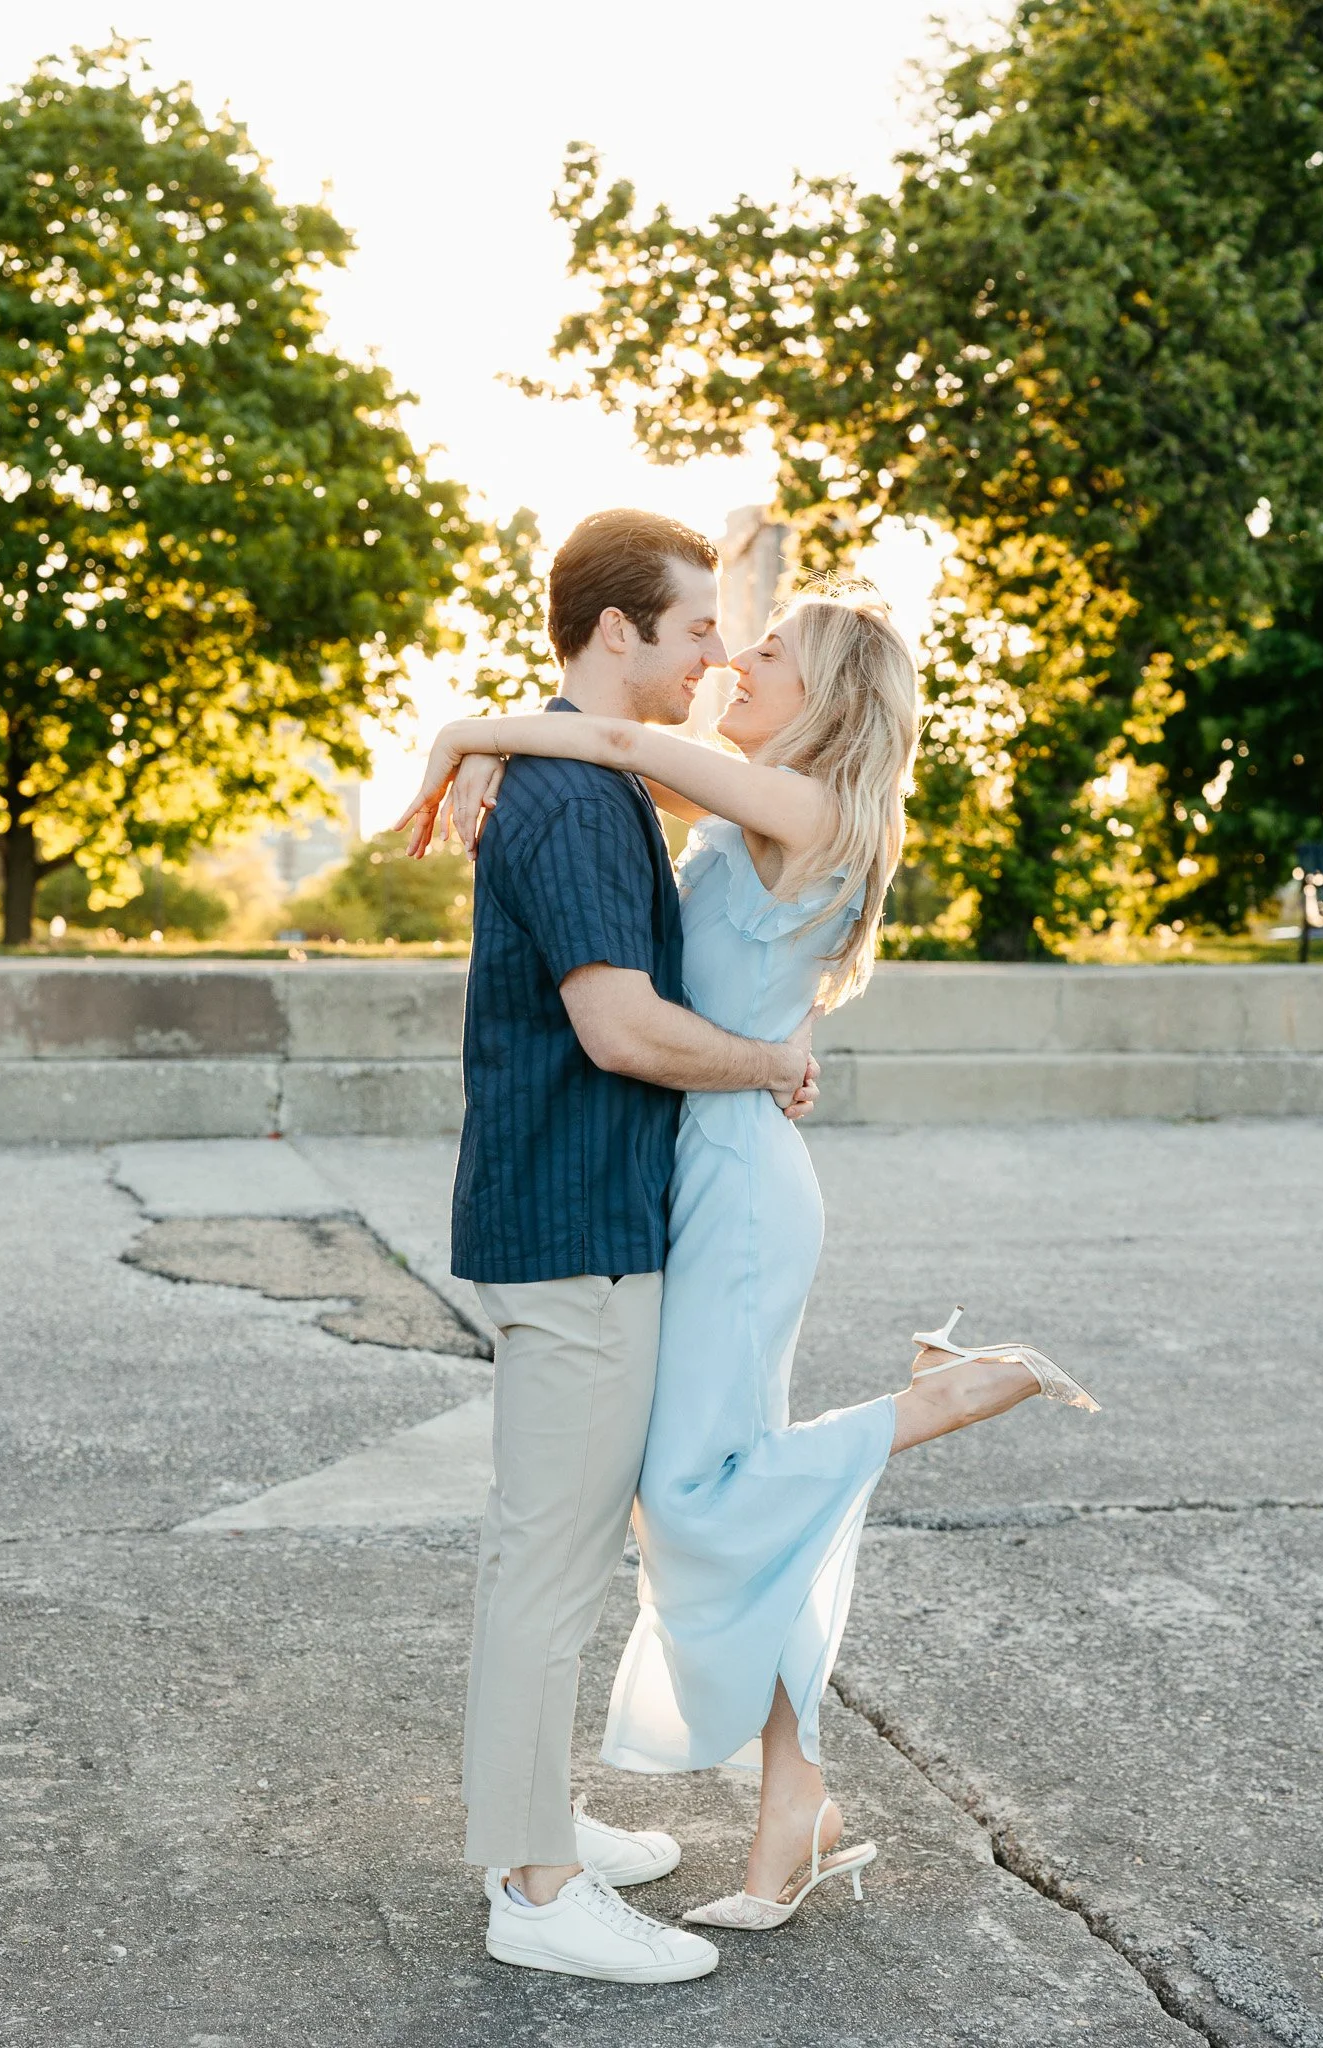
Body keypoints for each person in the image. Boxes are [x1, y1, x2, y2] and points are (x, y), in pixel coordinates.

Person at [400, 553, 1100, 1939]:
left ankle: (932, 1401)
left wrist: (465, 731)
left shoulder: (807, 801)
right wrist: (501, 756)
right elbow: (598, 770)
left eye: (763, 651)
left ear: (823, 696)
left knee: (697, 1491)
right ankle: (793, 1793)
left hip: (731, 1178)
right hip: (700, 1163)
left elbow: (607, 736)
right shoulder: (755, 795)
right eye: (720, 636)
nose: (733, 659)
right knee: (694, 1499)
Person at [399, 509, 821, 1986]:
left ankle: (536, 1818)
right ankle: (533, 1890)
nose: (717, 650)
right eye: (697, 625)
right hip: (572, 1224)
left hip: (577, 1213)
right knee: (550, 1564)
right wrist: (768, 1065)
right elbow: (619, 1027)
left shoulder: (586, 781)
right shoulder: (578, 804)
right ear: (617, 631)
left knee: (559, 1552)